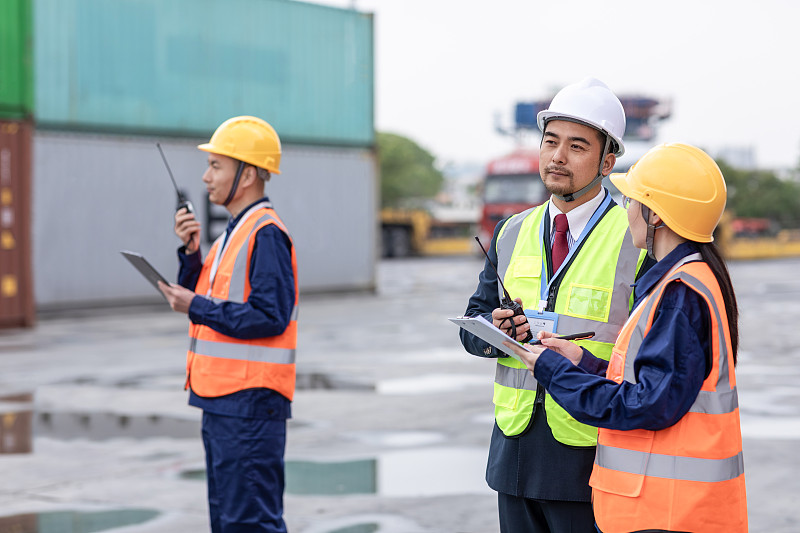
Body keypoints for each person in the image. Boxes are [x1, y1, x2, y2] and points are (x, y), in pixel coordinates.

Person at [503, 143, 748, 532]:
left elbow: (645, 406)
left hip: (667, 513)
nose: (627, 211)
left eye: (631, 200)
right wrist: (581, 362)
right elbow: (651, 384)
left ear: (655, 215)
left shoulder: (680, 296)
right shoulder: (680, 283)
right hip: (665, 509)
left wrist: (551, 369)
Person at [459, 77, 651, 532]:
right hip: (515, 452)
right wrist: (494, 331)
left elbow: (646, 357)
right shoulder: (511, 231)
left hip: (590, 449)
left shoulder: (636, 238)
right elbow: (471, 327)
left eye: (577, 146)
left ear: (608, 160)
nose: (558, 156)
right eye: (551, 142)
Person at [158, 115, 298, 533]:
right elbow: (207, 305)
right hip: (223, 399)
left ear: (249, 173)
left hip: (250, 402)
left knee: (249, 523)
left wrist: (194, 304)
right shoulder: (231, 234)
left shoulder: (266, 233)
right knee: (228, 521)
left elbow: (268, 317)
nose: (206, 177)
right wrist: (190, 255)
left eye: (216, 165)